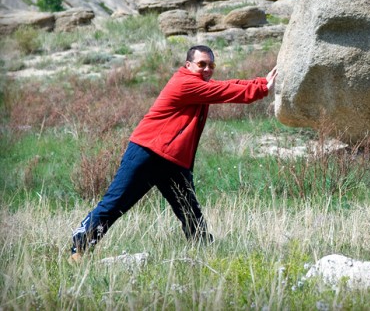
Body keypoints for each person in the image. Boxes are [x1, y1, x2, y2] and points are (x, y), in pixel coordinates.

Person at [69, 45, 277, 262]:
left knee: (190, 212)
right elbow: (223, 91)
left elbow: (224, 84)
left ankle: (205, 256)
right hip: (146, 153)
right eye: (201, 64)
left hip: (174, 162)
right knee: (116, 203)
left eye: (211, 65)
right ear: (188, 65)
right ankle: (78, 249)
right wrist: (261, 89)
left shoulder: (198, 84)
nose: (207, 69)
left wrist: (261, 81)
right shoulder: (184, 83)